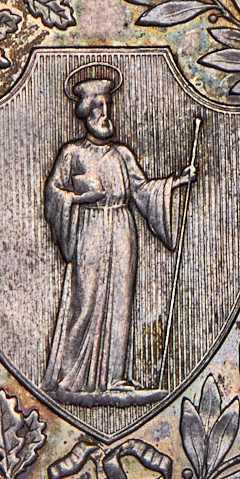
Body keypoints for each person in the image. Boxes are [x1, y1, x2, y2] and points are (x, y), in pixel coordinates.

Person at [42, 62, 196, 406]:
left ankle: (115, 378)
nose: (105, 115)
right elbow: (54, 193)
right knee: (86, 298)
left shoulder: (122, 154)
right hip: (90, 229)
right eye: (98, 108)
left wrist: (176, 182)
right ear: (85, 114)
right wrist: (79, 199)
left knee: (120, 300)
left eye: (107, 106)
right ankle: (73, 378)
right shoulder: (72, 153)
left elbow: (143, 190)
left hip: (123, 228)